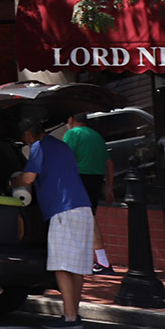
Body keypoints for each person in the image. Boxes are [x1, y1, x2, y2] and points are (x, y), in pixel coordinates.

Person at [12, 118, 94, 329]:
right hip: (83, 207)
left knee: (62, 266)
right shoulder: (62, 146)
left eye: (24, 139)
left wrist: (12, 181)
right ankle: (74, 315)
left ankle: (69, 318)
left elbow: (29, 178)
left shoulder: (39, 146)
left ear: (28, 135)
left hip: (63, 210)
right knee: (76, 267)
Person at [63, 112, 115, 274]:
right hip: (96, 179)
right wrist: (109, 187)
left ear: (71, 120)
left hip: (78, 178)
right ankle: (98, 259)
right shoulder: (97, 136)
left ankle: (101, 261)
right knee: (87, 216)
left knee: (81, 217)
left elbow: (65, 158)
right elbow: (109, 163)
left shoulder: (72, 133)